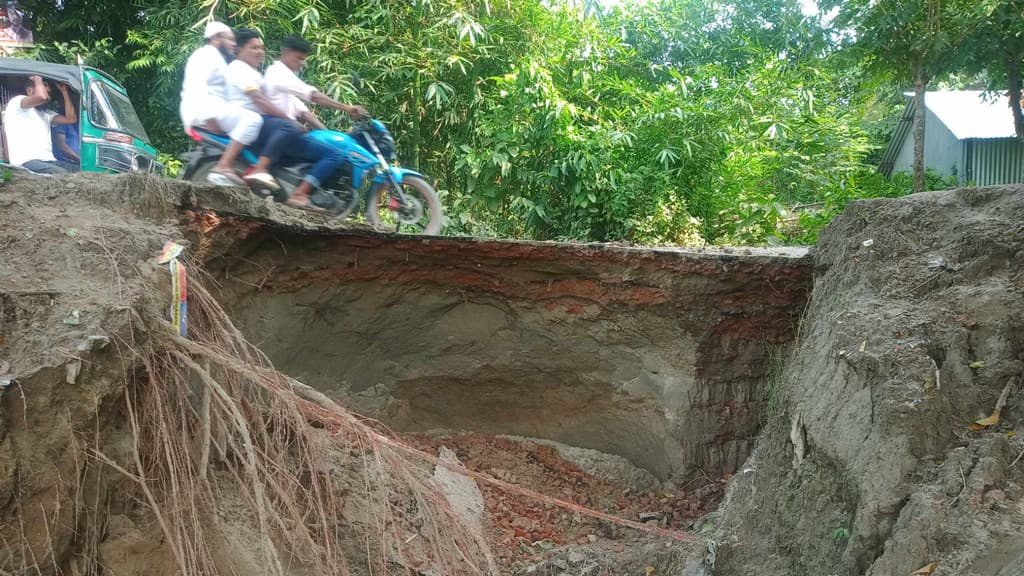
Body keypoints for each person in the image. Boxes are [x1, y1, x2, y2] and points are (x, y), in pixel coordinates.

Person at [264, 33, 368, 210]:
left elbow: (303, 112)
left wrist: (326, 132)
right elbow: (313, 96)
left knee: (325, 144)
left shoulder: (284, 78)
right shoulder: (278, 73)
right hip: (281, 135)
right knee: (334, 153)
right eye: (299, 58)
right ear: (286, 52)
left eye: (304, 59)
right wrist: (347, 108)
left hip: (284, 133)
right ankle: (300, 194)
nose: (302, 63)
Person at [180, 20, 263, 186]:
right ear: (217, 37)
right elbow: (197, 85)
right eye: (231, 39)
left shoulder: (218, 58)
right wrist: (209, 117)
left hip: (214, 109)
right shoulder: (205, 55)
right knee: (253, 120)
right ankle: (223, 166)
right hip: (205, 111)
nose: (234, 44)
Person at [224, 28, 303, 192]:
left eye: (261, 48)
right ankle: (259, 169)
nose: (260, 52)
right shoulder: (238, 68)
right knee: (289, 127)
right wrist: (289, 120)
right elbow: (259, 100)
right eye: (254, 48)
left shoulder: (254, 73)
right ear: (239, 49)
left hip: (258, 122)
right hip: (246, 121)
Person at [2, 76, 78, 174]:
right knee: (62, 174)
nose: (48, 97)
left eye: (49, 94)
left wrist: (64, 92)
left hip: (49, 161)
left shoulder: (45, 113)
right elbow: (41, 98)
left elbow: (71, 119)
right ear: (29, 90)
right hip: (26, 161)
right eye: (46, 92)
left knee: (81, 172)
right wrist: (38, 79)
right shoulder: (17, 102)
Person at [51, 97, 80, 167]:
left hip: (76, 162)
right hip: (66, 163)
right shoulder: (61, 123)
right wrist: (80, 160)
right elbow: (61, 146)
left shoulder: (79, 123)